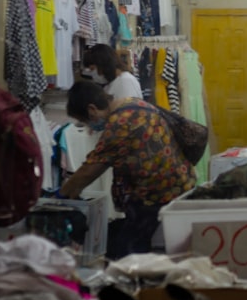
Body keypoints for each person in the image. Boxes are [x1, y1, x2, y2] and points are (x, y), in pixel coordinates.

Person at [61, 81, 197, 257]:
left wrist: (63, 194)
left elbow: (91, 169)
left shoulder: (120, 123)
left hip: (158, 192)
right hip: (177, 181)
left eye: (85, 120)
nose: (89, 126)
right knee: (131, 242)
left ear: (92, 109)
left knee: (128, 252)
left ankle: (134, 279)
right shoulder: (133, 103)